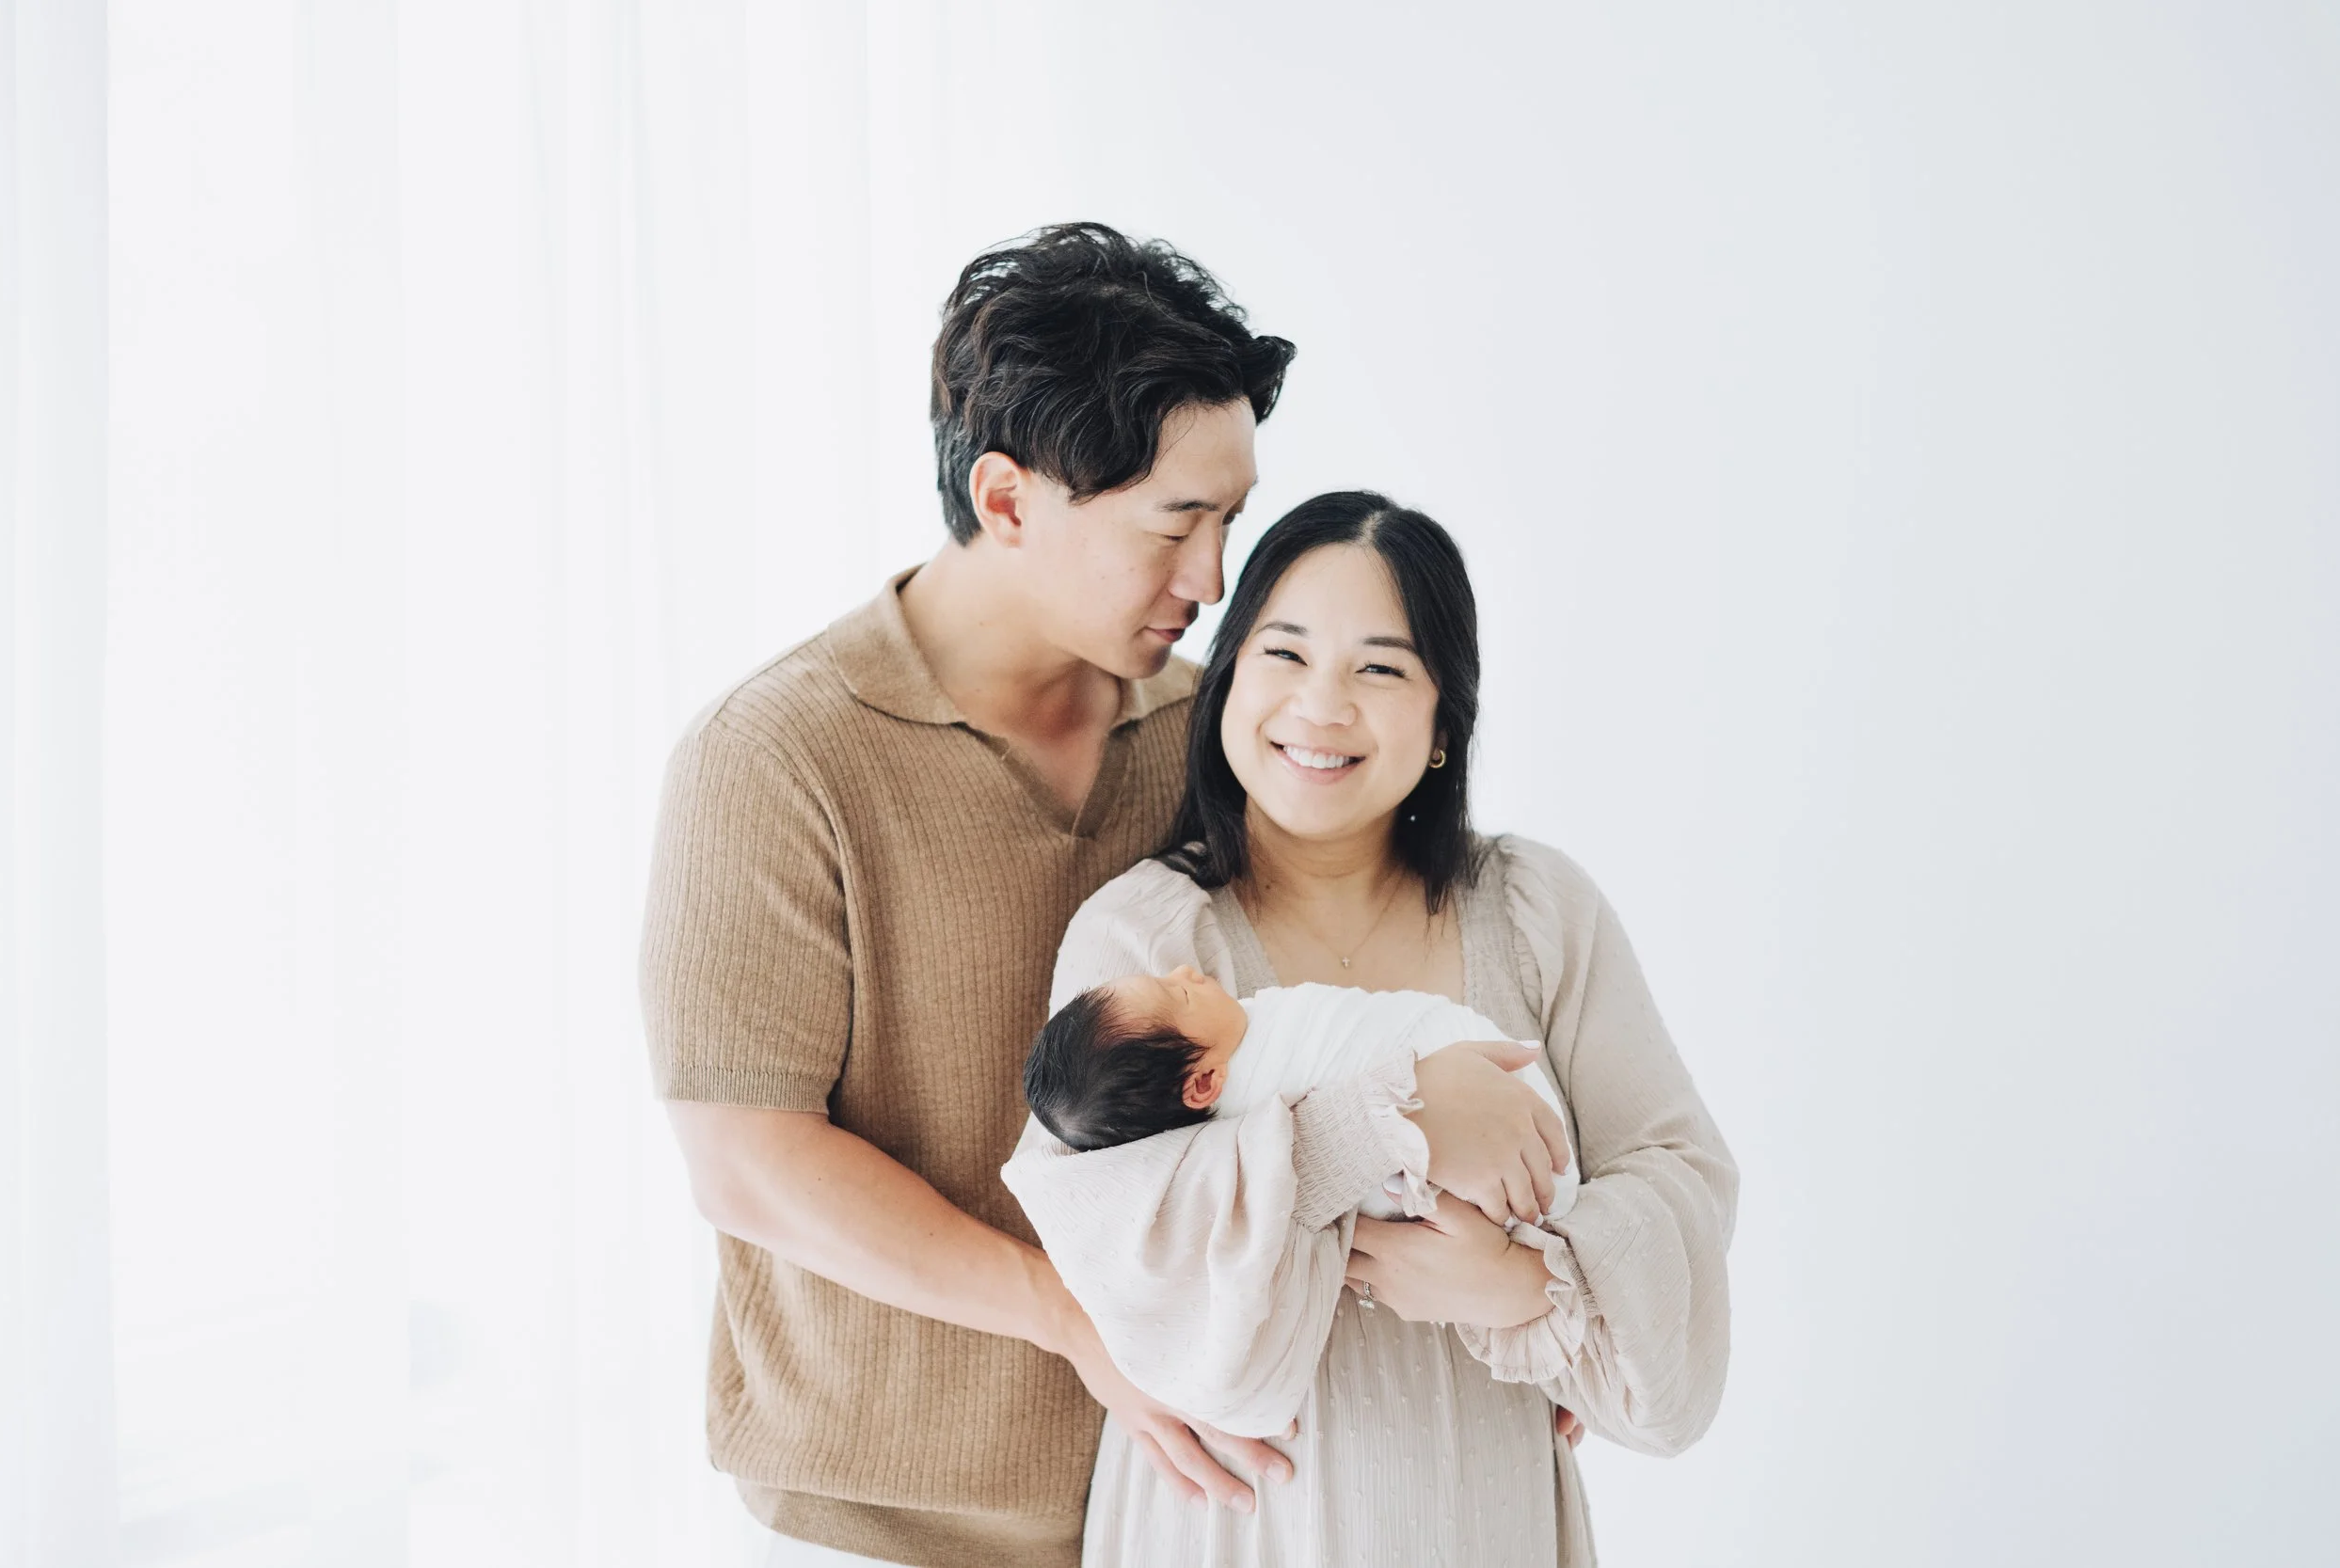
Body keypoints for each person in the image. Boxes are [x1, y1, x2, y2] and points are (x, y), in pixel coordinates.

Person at [637, 225, 1564, 1568]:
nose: (1214, 582)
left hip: (1193, 1496)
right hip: (890, 1504)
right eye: (1174, 523)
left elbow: (1348, 1008)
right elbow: (748, 1163)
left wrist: (1547, 1300)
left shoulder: (1221, 735)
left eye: (1231, 520)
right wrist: (1077, 1319)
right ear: (1008, 501)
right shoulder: (777, 755)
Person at [1002, 492, 1739, 1566]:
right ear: (1225, 683)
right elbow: (1109, 1237)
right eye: (1283, 652)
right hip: (1233, 1527)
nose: (1322, 704)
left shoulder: (1534, 909)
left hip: (1481, 1513)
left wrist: (1532, 1287)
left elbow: (1682, 1176)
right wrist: (1390, 1121)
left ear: (1445, 720)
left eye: (1381, 668)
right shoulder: (1149, 937)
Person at [1020, 967, 1582, 1224]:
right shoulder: (1261, 1109)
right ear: (1204, 1084)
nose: (1187, 971)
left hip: (1484, 1086)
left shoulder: (1241, 1037)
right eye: (1177, 994)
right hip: (1478, 1168)